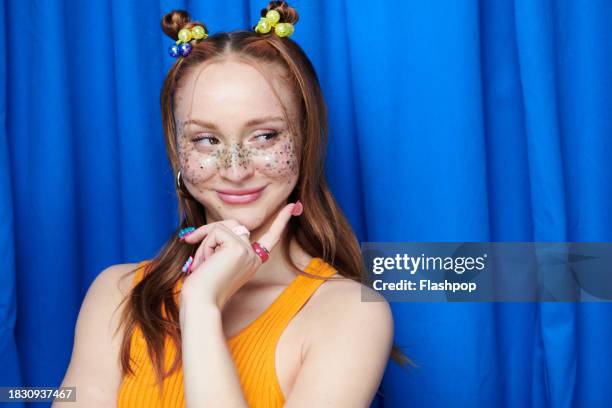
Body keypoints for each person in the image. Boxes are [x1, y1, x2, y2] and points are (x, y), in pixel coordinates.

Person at [56, 2, 407, 406]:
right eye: (207, 140)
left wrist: (202, 307)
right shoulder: (116, 296)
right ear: (177, 153)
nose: (236, 170)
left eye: (265, 136)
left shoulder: (349, 314)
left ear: (306, 142)